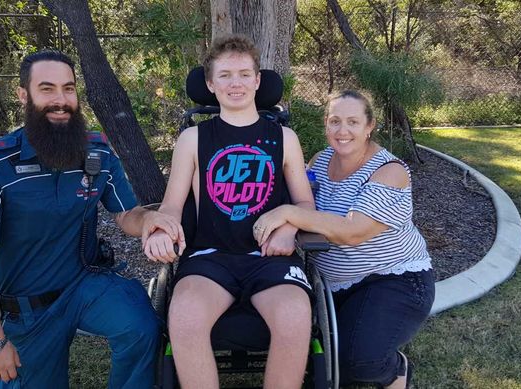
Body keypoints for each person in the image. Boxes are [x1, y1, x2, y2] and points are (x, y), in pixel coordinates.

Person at [0, 50, 184, 388]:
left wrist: (149, 222)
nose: (61, 100)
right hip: (25, 308)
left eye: (69, 89)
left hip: (83, 284)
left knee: (141, 326)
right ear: (23, 95)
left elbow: (126, 213)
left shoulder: (97, 151)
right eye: (47, 89)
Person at [143, 34, 315, 389]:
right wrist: (162, 229)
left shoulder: (285, 138)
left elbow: (304, 204)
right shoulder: (193, 139)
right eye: (224, 75)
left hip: (271, 256)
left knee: (295, 315)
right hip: (210, 256)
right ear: (209, 83)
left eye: (243, 73)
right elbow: (172, 206)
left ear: (257, 80)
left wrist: (289, 228)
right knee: (186, 315)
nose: (234, 83)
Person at [253, 90, 435, 389]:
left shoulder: (389, 172)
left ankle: (397, 370)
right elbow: (303, 206)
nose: (342, 131)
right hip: (332, 285)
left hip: (392, 278)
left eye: (353, 121)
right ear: (326, 124)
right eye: (335, 121)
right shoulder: (320, 161)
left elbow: (353, 231)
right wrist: (288, 224)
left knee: (361, 363)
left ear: (369, 126)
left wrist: (287, 214)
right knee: (323, 366)